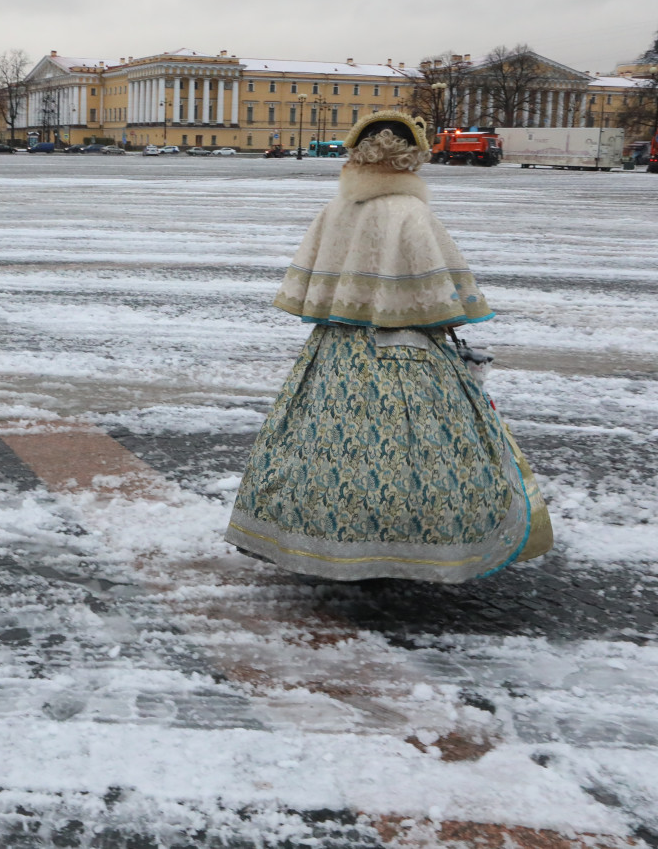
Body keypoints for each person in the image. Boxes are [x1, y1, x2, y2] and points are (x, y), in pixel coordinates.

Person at [226, 110, 551, 582]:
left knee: (322, 444)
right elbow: (442, 298)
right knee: (422, 451)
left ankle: (317, 537)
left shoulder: (336, 210)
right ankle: (415, 545)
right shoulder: (411, 212)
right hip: (410, 352)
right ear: (412, 159)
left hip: (337, 352)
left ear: (356, 155)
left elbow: (311, 292)